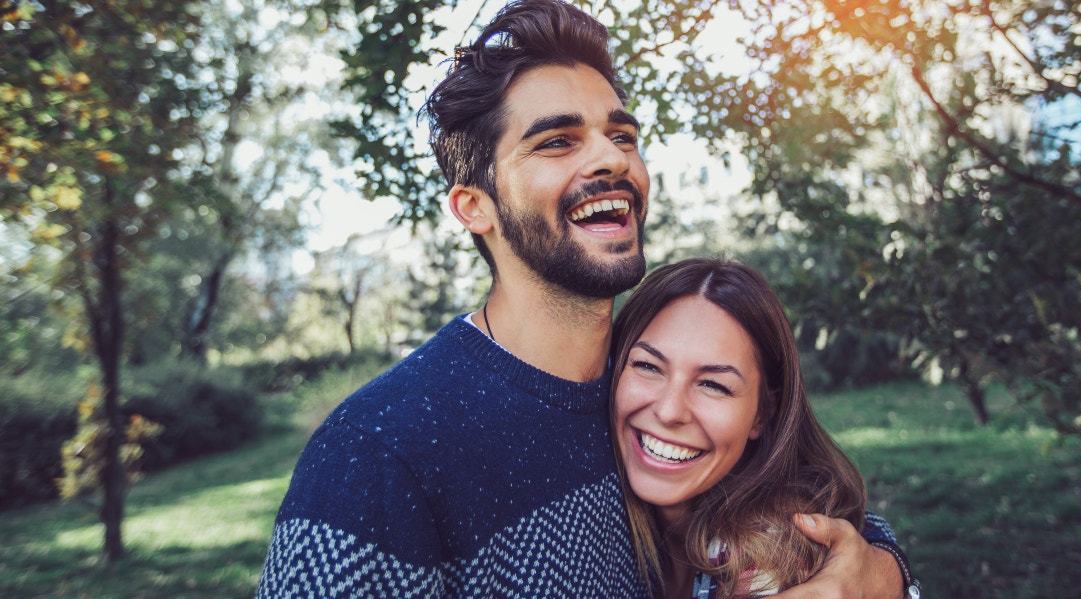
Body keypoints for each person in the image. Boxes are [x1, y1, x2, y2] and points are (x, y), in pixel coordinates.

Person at [256, 1, 914, 597]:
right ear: (475, 206)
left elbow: (793, 492)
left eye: (622, 136)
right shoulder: (376, 451)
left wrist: (881, 568)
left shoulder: (645, 390)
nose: (611, 159)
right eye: (556, 141)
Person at [610, 258, 919, 599]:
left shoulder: (774, 568)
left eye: (714, 385)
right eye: (647, 365)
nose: (669, 411)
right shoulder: (591, 492)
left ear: (762, 413)